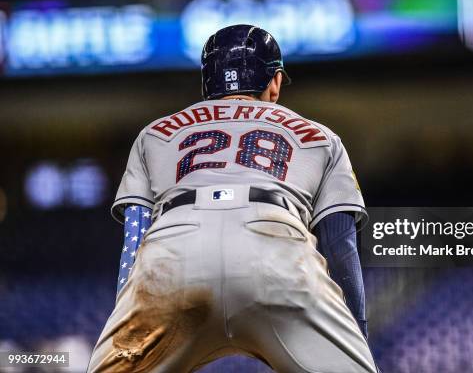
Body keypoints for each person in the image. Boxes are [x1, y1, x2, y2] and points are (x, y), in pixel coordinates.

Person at [87, 24, 378, 373]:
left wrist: (131, 316)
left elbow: (134, 243)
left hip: (173, 254)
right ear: (275, 81)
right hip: (276, 250)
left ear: (207, 83)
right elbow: (340, 247)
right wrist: (354, 338)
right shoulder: (321, 137)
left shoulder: (155, 133)